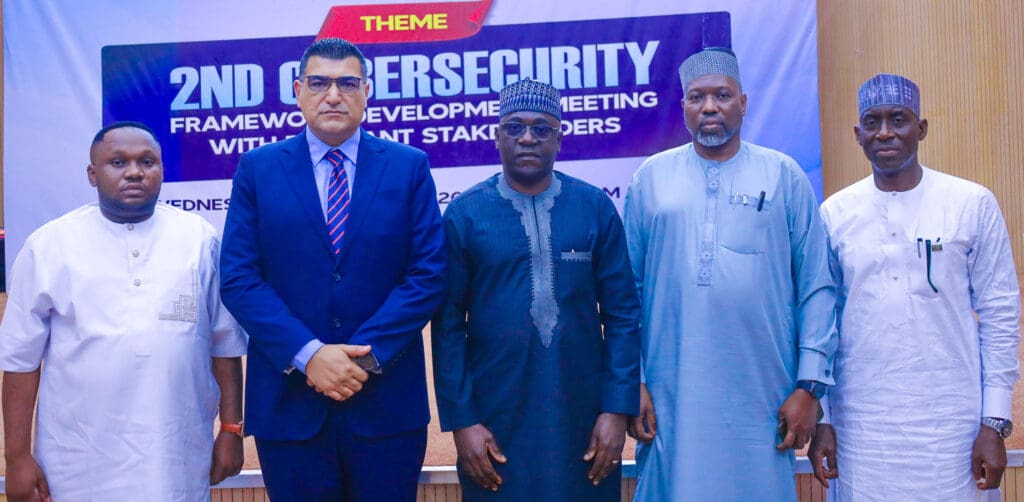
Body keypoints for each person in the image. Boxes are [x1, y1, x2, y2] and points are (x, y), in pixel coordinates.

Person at [219, 38, 446, 501]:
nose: (334, 95)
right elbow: (240, 279)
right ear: (298, 91)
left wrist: (360, 359)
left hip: (385, 406)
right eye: (320, 83)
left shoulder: (408, 167)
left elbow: (428, 274)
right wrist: (309, 355)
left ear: (367, 92)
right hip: (290, 406)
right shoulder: (258, 169)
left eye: (348, 83)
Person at [622, 47, 838, 500]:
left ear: (743, 102)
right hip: (670, 390)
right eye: (696, 97)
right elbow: (629, 292)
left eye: (722, 95)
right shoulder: (651, 179)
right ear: (683, 106)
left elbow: (816, 287)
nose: (710, 107)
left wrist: (809, 387)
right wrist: (632, 380)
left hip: (763, 390)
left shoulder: (784, 176)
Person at [0, 121, 246, 501]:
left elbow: (224, 345)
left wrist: (231, 429)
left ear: (162, 169)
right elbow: (20, 361)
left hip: (175, 457)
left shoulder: (198, 238)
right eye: (118, 162)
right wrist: (16, 457)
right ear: (92, 174)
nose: (134, 172)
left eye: (147, 161)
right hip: (76, 461)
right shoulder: (49, 245)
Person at [808, 73, 1020, 501]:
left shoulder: (970, 203)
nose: (885, 132)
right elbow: (820, 322)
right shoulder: (834, 214)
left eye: (898, 119)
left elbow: (1000, 312)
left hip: (953, 426)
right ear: (858, 135)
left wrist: (994, 422)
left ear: (920, 128)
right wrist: (823, 419)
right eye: (872, 122)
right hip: (862, 427)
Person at [432, 79, 641, 501]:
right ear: (497, 137)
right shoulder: (465, 214)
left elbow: (622, 315)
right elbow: (448, 325)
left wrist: (616, 410)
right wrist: (463, 422)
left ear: (559, 139)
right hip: (494, 417)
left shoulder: (594, 207)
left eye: (541, 128)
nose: (527, 138)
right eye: (514, 127)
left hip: (583, 417)